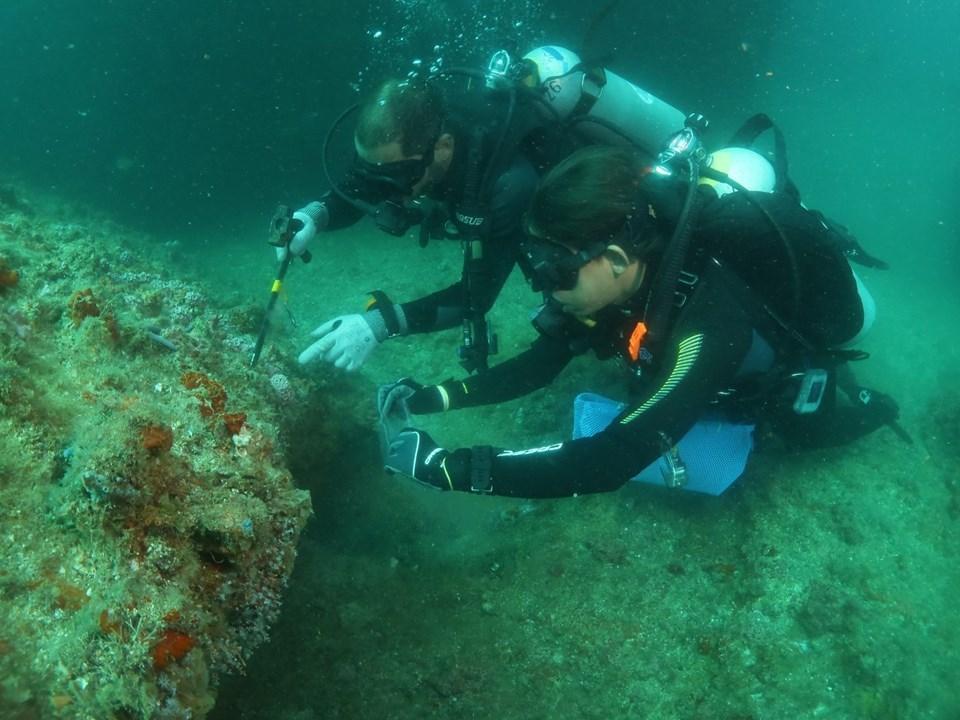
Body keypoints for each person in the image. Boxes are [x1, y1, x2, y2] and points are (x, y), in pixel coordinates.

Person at [381, 144, 902, 498]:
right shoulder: (619, 277)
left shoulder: (708, 324)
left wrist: (450, 469)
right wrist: (431, 398)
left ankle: (876, 407)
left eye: (555, 270)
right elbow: (536, 367)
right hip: (696, 331)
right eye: (536, 265)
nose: (544, 286)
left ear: (614, 259)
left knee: (803, 434)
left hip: (775, 341)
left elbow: (612, 458)